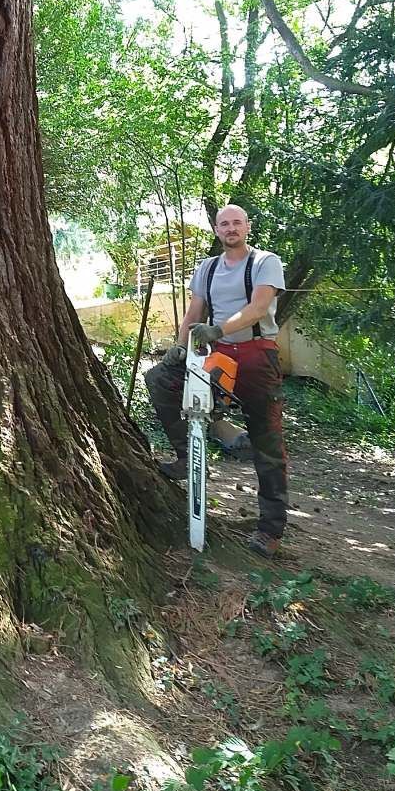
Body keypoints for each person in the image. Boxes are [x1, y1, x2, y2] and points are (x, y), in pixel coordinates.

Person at [144, 204, 288, 558]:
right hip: (217, 354)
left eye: (237, 222)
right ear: (216, 229)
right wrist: (179, 348)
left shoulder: (265, 262)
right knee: (161, 380)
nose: (231, 228)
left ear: (248, 227)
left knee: (267, 441)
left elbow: (257, 308)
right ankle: (186, 456)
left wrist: (218, 328)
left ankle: (270, 528)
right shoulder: (206, 269)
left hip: (257, 353)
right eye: (224, 224)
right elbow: (194, 313)